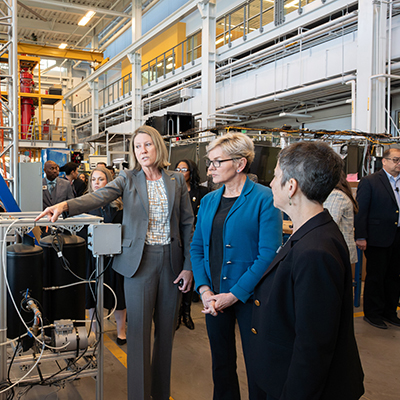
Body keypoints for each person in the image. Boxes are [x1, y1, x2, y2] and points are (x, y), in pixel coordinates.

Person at [36, 125, 194, 400]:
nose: (142, 151)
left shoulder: (175, 181)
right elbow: (98, 196)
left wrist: (189, 265)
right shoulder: (127, 179)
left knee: (166, 333)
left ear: (158, 146)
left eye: (147, 145)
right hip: (139, 263)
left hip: (172, 261)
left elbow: (187, 223)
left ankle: (160, 392)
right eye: (137, 146)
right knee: (138, 336)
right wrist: (65, 207)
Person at [249, 141, 364, 400]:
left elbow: (313, 346)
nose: (270, 183)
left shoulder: (315, 251)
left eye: (276, 176)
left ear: (291, 187)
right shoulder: (311, 233)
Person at [190, 132, 282, 400]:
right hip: (214, 296)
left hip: (251, 297)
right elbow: (197, 248)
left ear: (240, 164)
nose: (210, 168)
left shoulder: (265, 198)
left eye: (218, 162)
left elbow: (268, 254)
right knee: (221, 362)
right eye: (210, 162)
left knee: (258, 365)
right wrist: (205, 289)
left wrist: (234, 295)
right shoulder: (208, 201)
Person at [355, 147, 400, 329]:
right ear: (385, 161)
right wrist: (361, 236)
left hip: (398, 236)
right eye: (396, 160)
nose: (398, 164)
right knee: (376, 276)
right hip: (377, 237)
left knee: (394, 277)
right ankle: (373, 314)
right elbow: (361, 211)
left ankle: (390, 312)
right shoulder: (370, 182)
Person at [86, 166, 127, 345]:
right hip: (92, 258)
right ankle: (94, 332)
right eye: (93, 179)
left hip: (114, 257)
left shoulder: (118, 206)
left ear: (109, 181)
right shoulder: (85, 205)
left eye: (100, 179)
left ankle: (121, 332)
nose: (96, 182)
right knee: (92, 295)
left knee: (118, 295)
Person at [175, 159, 208, 329]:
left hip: (194, 239)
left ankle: (186, 313)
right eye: (178, 169)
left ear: (191, 172)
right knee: (176, 275)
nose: (181, 172)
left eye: (184, 169)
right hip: (176, 239)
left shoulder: (202, 192)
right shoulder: (172, 190)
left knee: (190, 274)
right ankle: (175, 314)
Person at [324, 170, 359, 264]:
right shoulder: (337, 193)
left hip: (337, 251)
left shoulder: (336, 195)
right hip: (338, 250)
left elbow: (329, 222)